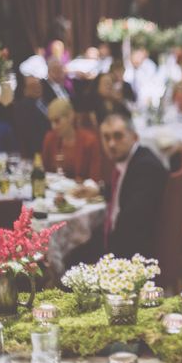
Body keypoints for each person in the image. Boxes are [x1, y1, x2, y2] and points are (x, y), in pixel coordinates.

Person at [99, 113, 168, 258]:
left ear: (135, 137)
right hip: (120, 240)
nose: (111, 144)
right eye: (106, 137)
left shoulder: (146, 167)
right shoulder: (130, 161)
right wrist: (100, 190)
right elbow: (123, 190)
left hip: (132, 252)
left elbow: (133, 220)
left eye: (118, 136)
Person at [42, 99, 101, 181]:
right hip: (54, 190)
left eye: (57, 121)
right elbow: (44, 171)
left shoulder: (89, 141)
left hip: (81, 191)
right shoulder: (50, 138)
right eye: (51, 122)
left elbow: (95, 178)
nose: (53, 127)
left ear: (70, 116)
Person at [13, 76, 50, 158]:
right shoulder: (23, 107)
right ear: (25, 90)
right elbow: (25, 132)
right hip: (36, 151)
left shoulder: (44, 102)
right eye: (33, 86)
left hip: (49, 146)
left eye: (39, 85)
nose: (37, 88)